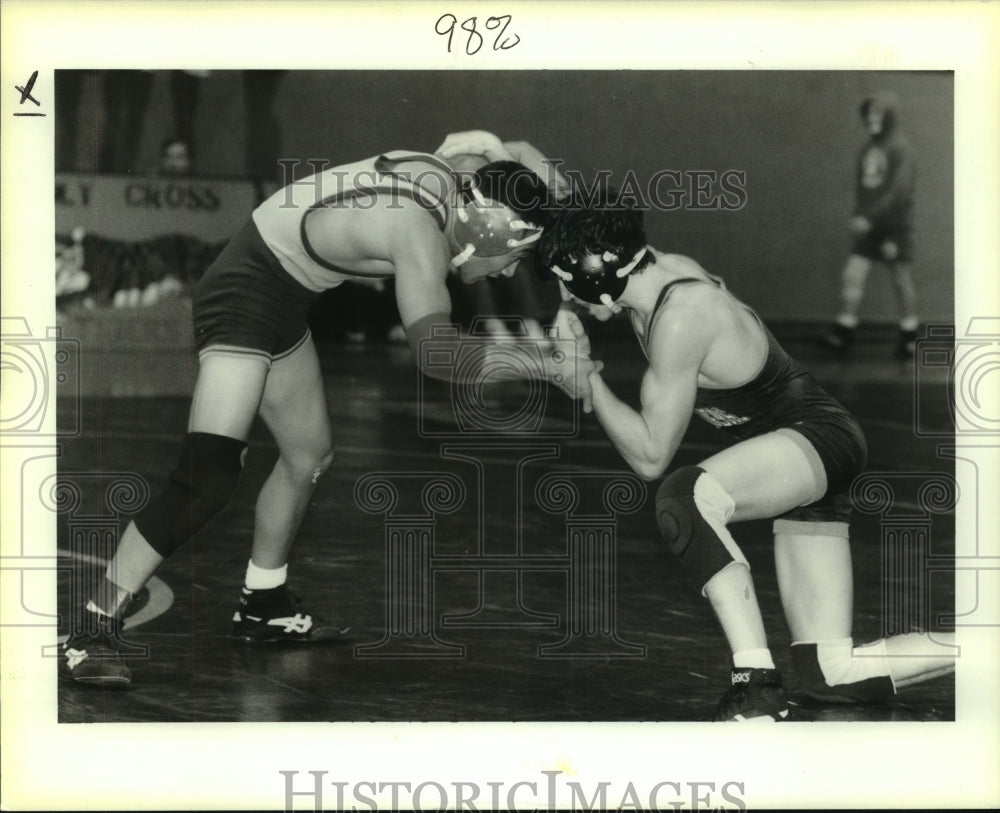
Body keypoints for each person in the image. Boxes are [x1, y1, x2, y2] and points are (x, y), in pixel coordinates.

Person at [59, 130, 591, 687]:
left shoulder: (458, 174)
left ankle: (263, 605)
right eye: (515, 258)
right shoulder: (417, 234)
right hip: (243, 291)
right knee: (207, 477)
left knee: (308, 455)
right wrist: (547, 365)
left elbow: (509, 148)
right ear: (485, 228)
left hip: (284, 289)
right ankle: (92, 632)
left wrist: (514, 164)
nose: (509, 273)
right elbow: (436, 356)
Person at [538, 198, 955, 721]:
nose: (571, 294)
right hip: (806, 454)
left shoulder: (682, 317)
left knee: (685, 496)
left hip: (814, 439)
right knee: (832, 674)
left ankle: (754, 682)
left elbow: (650, 456)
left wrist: (588, 382)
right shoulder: (652, 267)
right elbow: (584, 249)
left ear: (595, 270)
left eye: (571, 283)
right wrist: (565, 310)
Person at [824, 91, 919, 359]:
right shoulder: (868, 149)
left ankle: (909, 332)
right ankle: (845, 327)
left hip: (893, 226)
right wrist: (860, 216)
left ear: (889, 115)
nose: (872, 119)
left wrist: (873, 219)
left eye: (878, 113)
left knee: (900, 278)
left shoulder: (900, 149)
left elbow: (898, 193)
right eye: (869, 114)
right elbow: (864, 190)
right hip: (868, 226)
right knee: (853, 274)